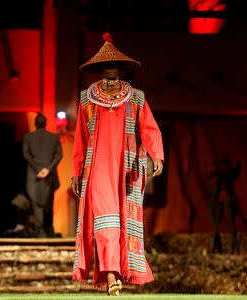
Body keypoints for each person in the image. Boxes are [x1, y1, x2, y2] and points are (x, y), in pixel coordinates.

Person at [71, 33, 164, 295]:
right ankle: (111, 276)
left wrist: (156, 155)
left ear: (120, 68)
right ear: (101, 68)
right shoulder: (87, 99)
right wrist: (76, 172)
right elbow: (80, 137)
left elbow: (149, 129)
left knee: (123, 221)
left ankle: (117, 271)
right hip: (97, 167)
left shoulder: (135, 98)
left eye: (114, 65)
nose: (110, 69)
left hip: (127, 168)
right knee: (106, 220)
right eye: (106, 65)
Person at [23, 113, 62, 238]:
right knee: (48, 203)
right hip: (48, 175)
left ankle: (41, 231)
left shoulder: (28, 137)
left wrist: (39, 169)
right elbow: (59, 155)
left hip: (34, 175)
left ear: (35, 124)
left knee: (37, 203)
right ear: (45, 124)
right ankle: (48, 230)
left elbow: (26, 155)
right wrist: (47, 169)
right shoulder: (54, 137)